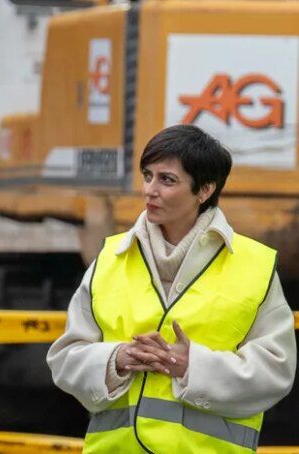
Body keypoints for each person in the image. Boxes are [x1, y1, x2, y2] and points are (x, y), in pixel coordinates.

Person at [47, 125, 296, 453]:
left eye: (167, 180)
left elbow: (276, 371)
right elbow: (65, 357)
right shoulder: (109, 258)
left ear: (204, 190)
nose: (150, 190)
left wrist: (193, 366)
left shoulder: (254, 267)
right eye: (147, 176)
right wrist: (116, 359)